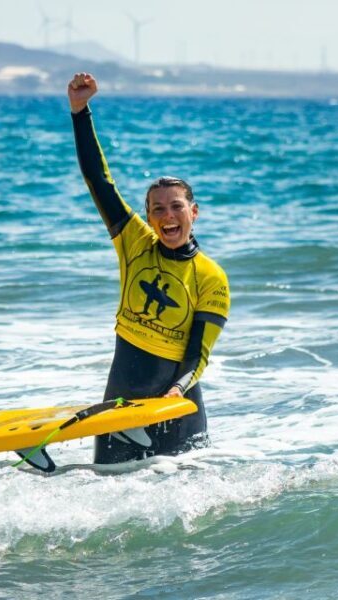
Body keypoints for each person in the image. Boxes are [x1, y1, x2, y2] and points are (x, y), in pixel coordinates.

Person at [68, 72, 230, 464]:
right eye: (158, 209)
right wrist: (79, 111)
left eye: (176, 206)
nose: (167, 215)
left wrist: (176, 391)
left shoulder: (211, 277)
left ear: (194, 212)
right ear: (149, 217)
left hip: (176, 410)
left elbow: (198, 354)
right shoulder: (135, 244)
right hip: (119, 407)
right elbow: (99, 181)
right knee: (105, 489)